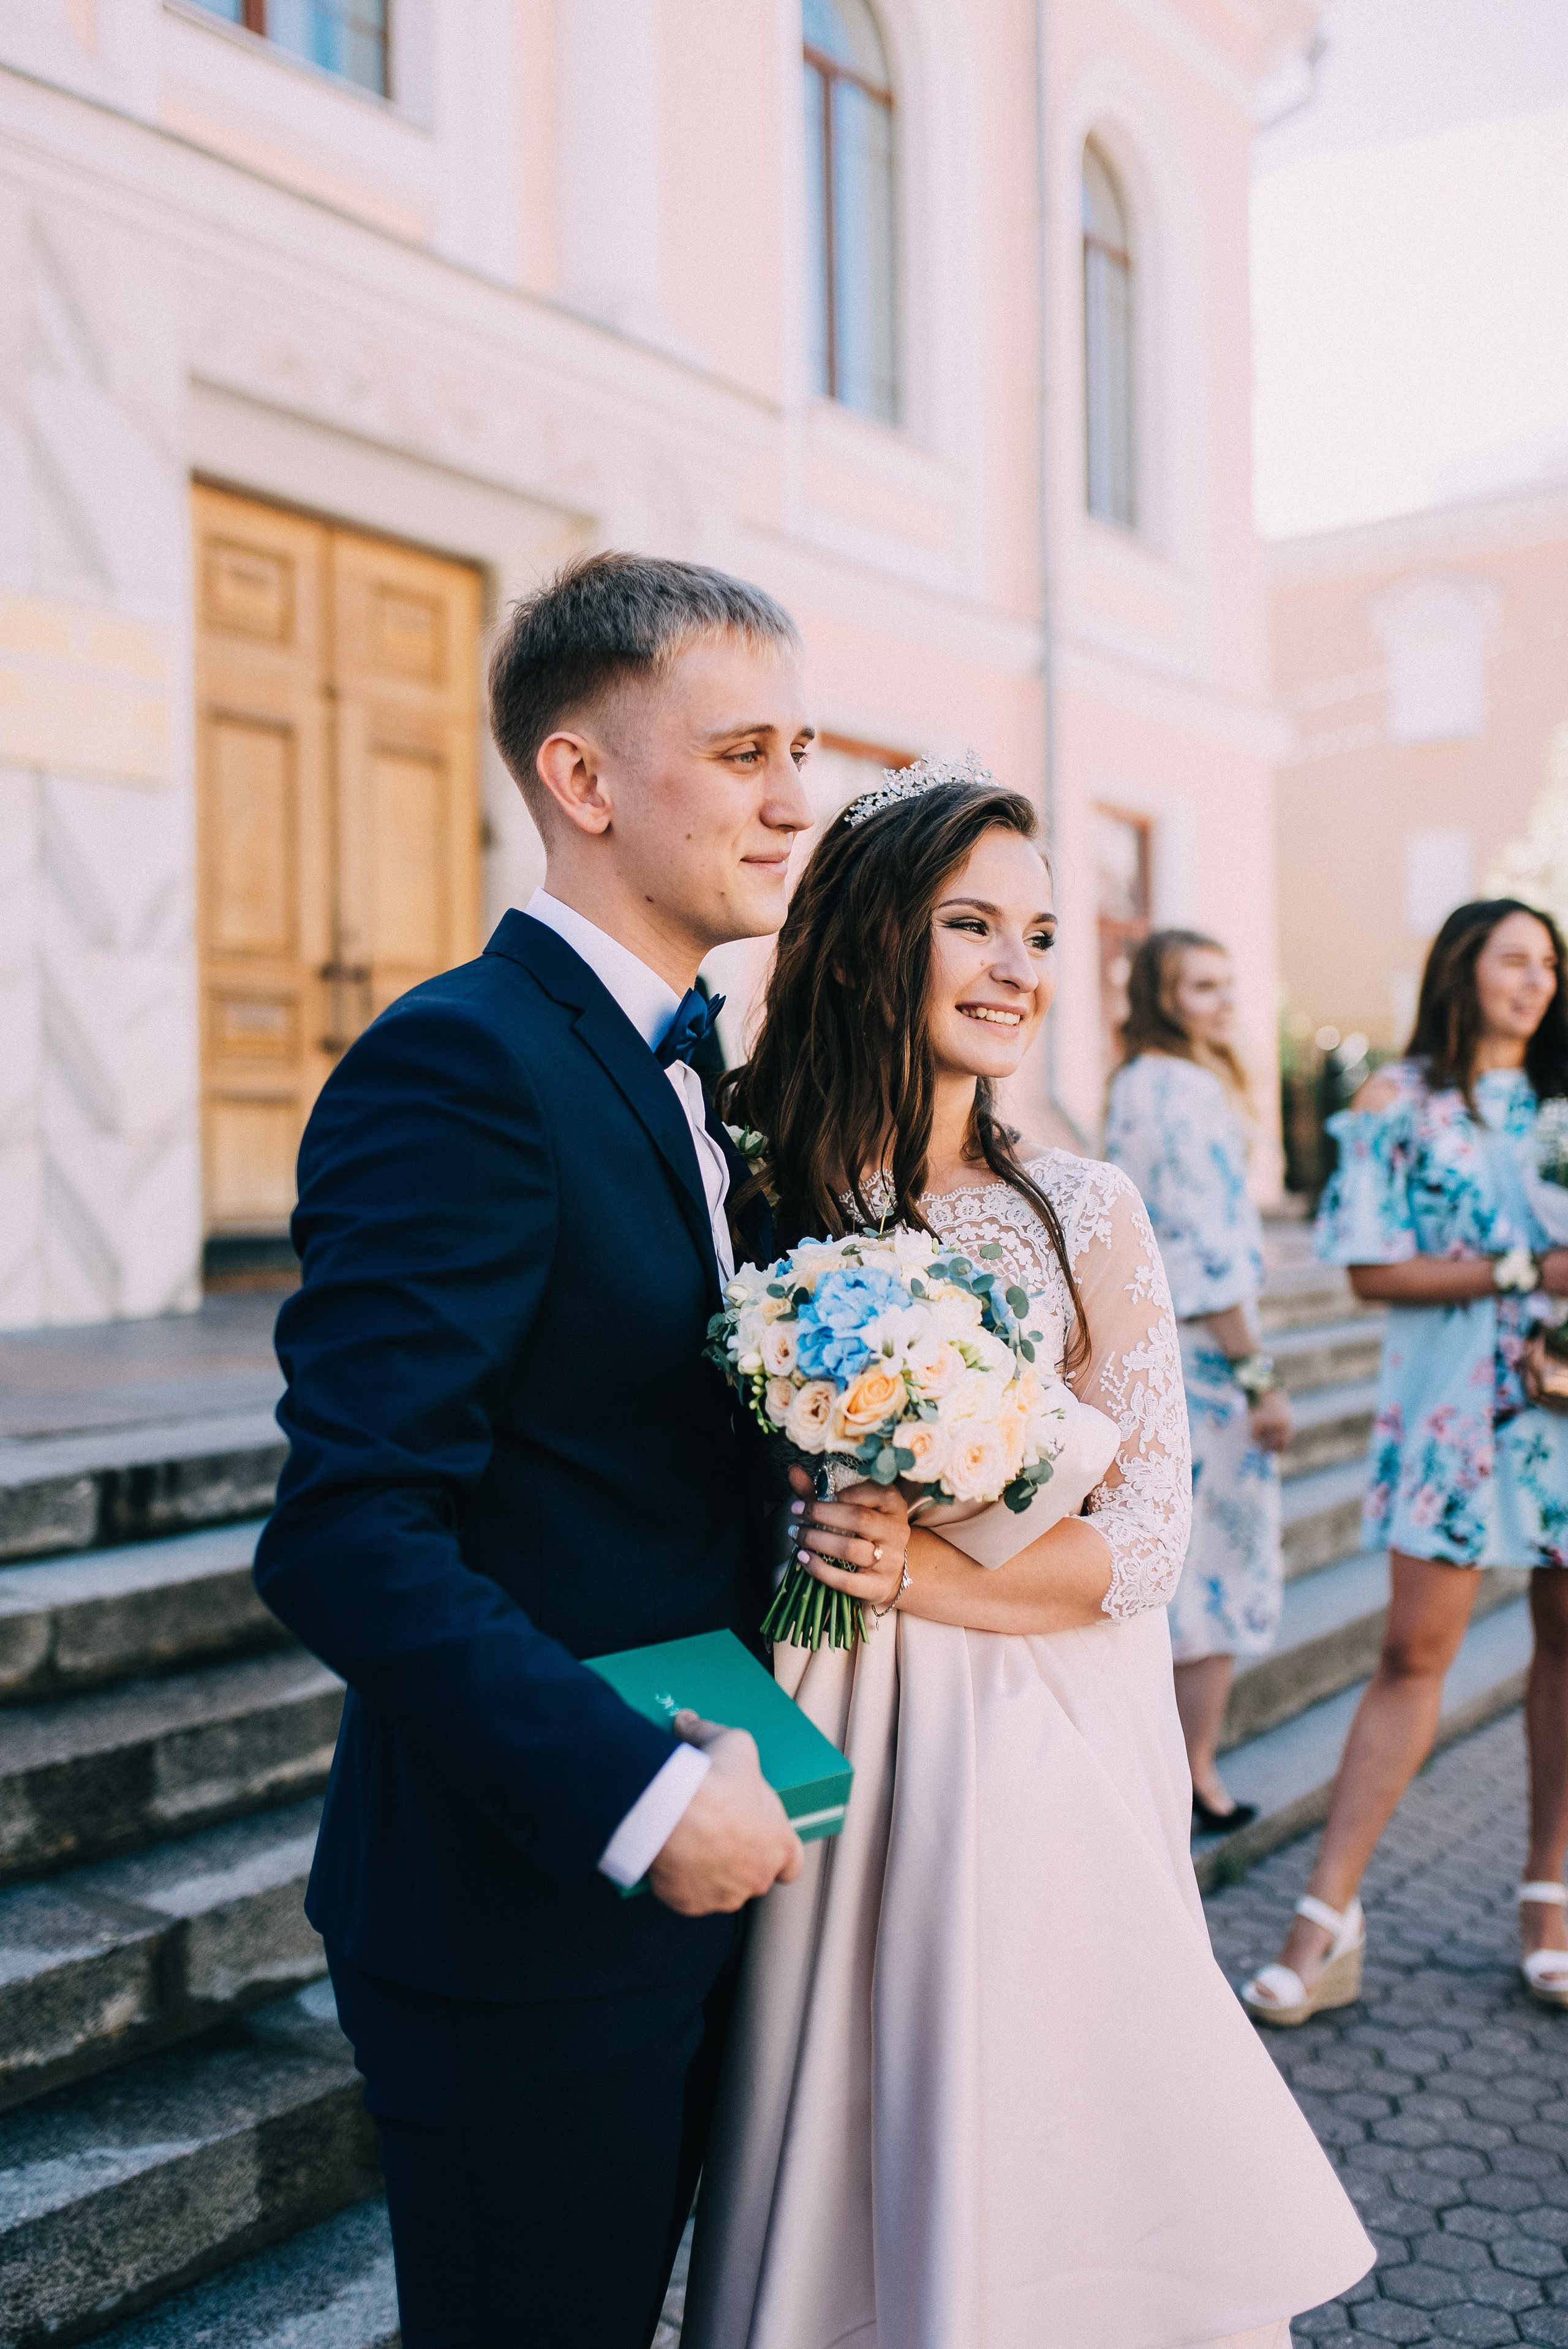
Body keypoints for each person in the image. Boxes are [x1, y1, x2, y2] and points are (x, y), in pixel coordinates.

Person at [252, 552, 908, 2349]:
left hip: (711, 1860)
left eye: (807, 748)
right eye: (746, 751)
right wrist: (631, 1798)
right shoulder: (461, 1063)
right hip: (528, 1907)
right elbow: (348, 1527)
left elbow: (620, 1438)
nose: (798, 799)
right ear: (585, 779)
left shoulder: (703, 1072)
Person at [682, 764, 1373, 2349]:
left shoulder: (1080, 1206)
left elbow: (1142, 1539)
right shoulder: (759, 1193)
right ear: (867, 942)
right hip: (816, 1714)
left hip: (1034, 1741)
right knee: (829, 2103)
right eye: (972, 924)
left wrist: (926, 1573)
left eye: (1043, 933)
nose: (1017, 968)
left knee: (1034, 2116)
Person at [1243, 899, 1568, 2028]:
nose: (1534, 980)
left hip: (1567, 1419)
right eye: (1511, 959)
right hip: (1453, 1420)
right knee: (1410, 1651)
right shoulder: (1399, 1101)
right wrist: (1532, 1270)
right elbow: (1371, 1272)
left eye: (1548, 963)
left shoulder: (1565, 1103)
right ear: (1463, 968)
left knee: (1567, 1650)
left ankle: (1548, 1898)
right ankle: (1326, 1916)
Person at [1106, 930, 1293, 1833]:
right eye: (1202, 986)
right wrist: (1259, 1377)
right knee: (1215, 1571)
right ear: (1164, 998)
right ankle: (1194, 1776)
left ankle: (1173, 1773)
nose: (1224, 1001)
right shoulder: (1180, 1089)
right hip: (1206, 1363)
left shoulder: (1136, 1083)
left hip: (1160, 1348)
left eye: (1228, 982)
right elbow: (1211, 1252)